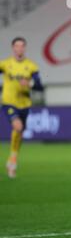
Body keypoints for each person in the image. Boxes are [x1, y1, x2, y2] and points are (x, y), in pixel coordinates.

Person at [0, 37, 44, 178]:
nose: (19, 49)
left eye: (21, 46)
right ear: (13, 48)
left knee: (19, 134)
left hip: (24, 104)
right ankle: (13, 161)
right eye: (17, 46)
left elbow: (39, 86)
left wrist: (30, 84)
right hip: (9, 102)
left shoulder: (31, 66)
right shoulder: (6, 64)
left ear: (24, 48)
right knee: (17, 127)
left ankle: (12, 159)